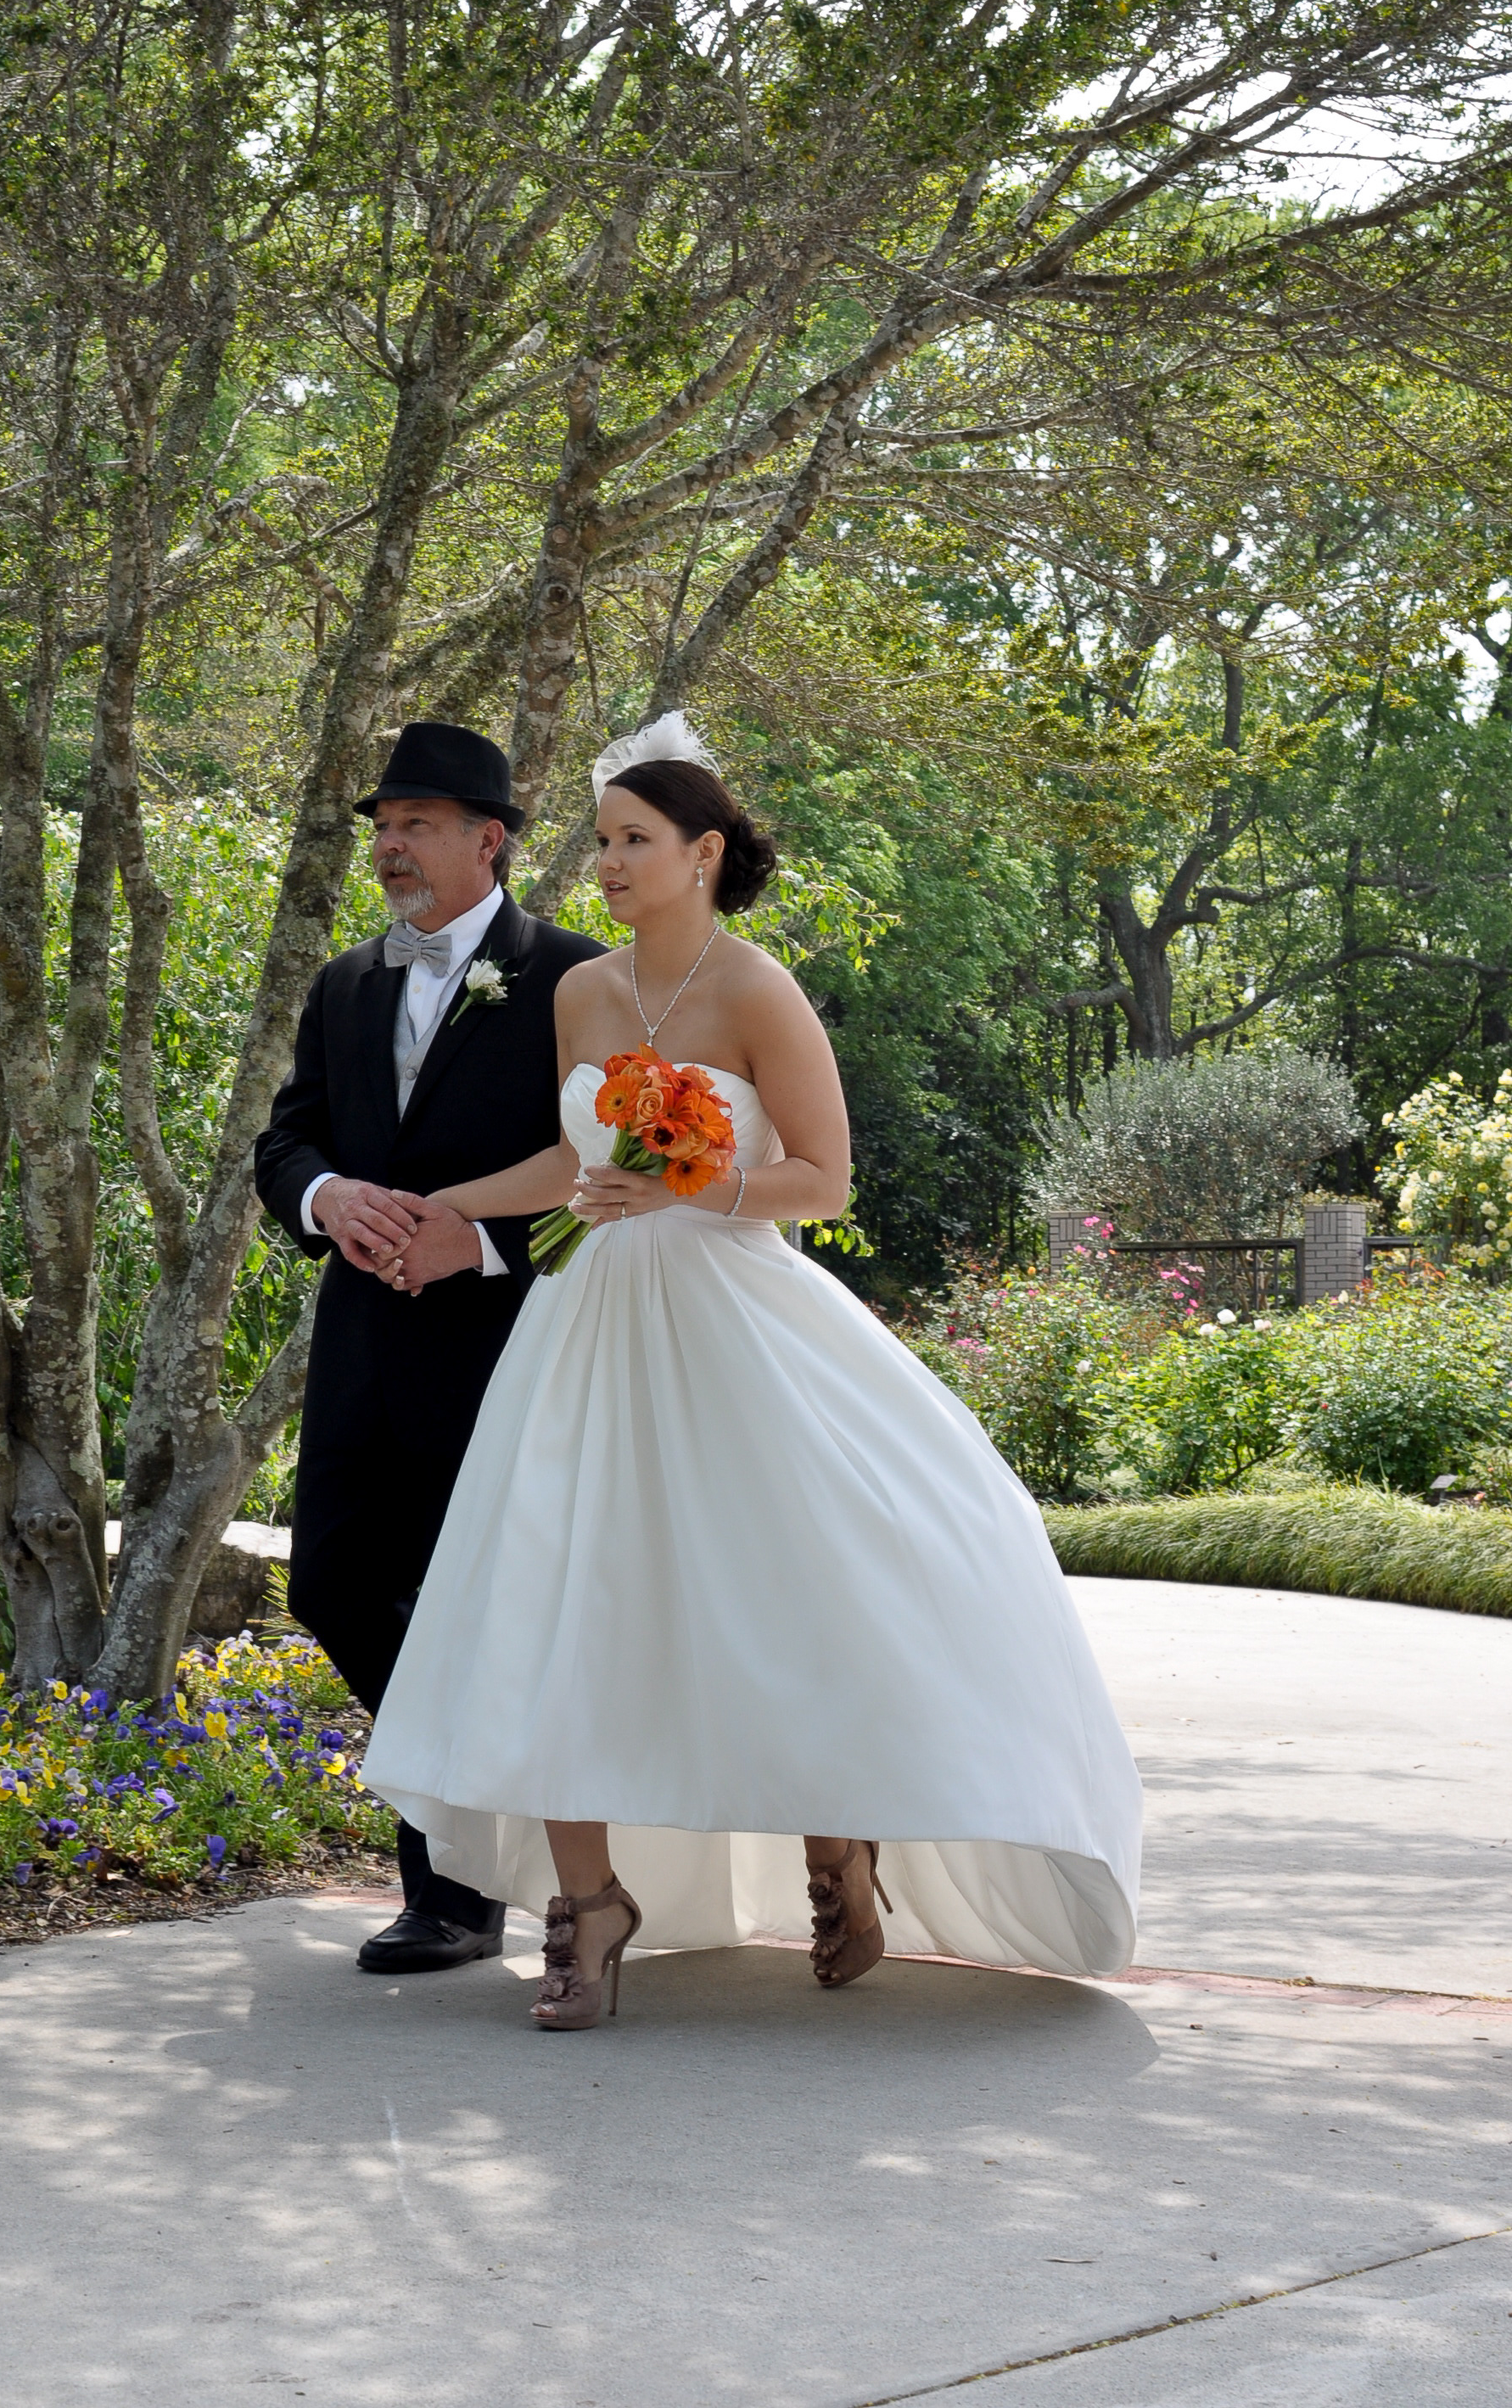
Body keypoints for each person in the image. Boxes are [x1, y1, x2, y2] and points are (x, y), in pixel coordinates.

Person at [361, 714, 1143, 2028]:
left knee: (795, 1586)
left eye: (631, 840)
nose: (604, 863)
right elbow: (570, 1168)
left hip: (736, 1317)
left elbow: (821, 1181)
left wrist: (691, 1175)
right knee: (563, 1597)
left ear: (702, 851)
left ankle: (839, 1835)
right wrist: (442, 1203)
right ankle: (589, 1908)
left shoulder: (756, 989)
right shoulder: (582, 992)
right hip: (590, 1321)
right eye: (600, 840)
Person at [252, 721, 602, 1973]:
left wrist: (490, 1249)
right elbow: (285, 1141)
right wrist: (326, 1196)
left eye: (416, 823)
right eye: (382, 826)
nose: (390, 846)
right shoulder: (347, 982)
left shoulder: (578, 979)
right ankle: (466, 1833)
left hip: (509, 1351)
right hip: (359, 1347)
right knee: (334, 1587)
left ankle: (452, 1897)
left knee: (488, 1608)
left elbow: (617, 1175)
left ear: (488, 837)